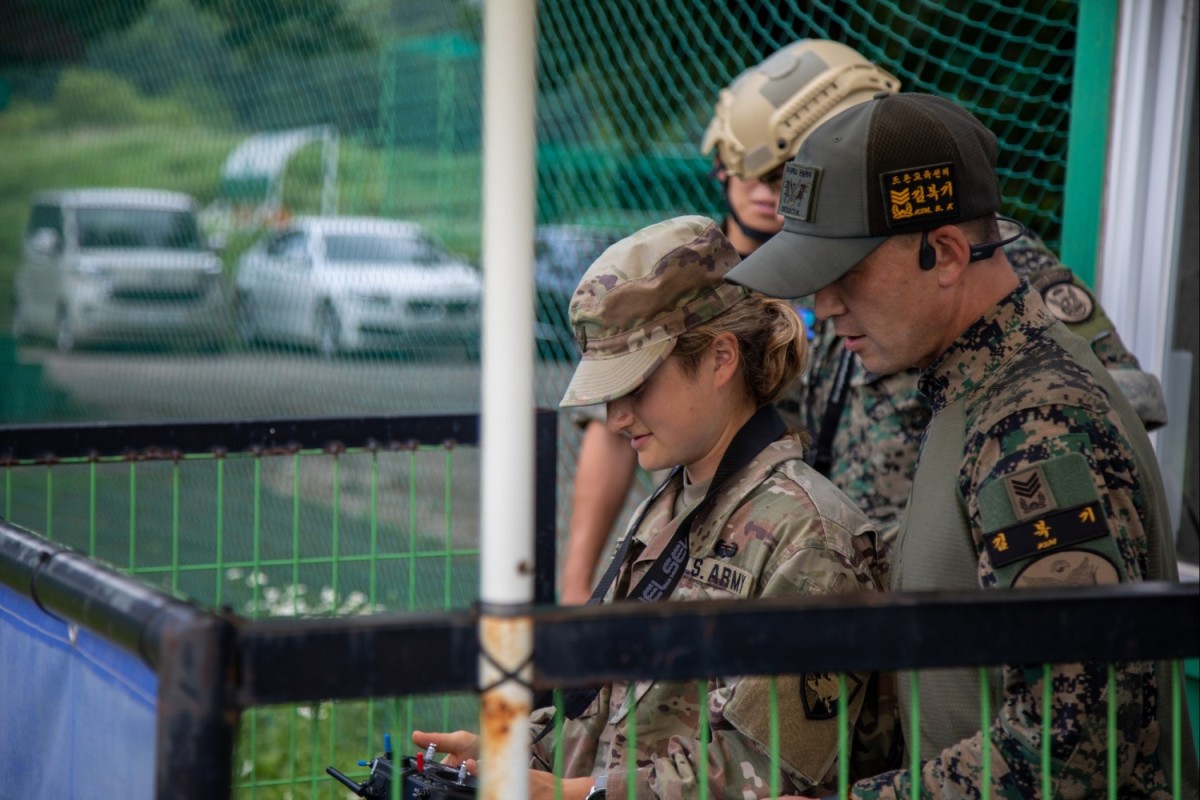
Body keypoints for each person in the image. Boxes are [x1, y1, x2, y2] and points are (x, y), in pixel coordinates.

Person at [726, 92, 1196, 799]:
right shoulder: (976, 394)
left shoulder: (1037, 425)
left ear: (944, 252)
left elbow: (1073, 744)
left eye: (843, 275)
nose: (823, 307)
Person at [415, 215, 895, 798]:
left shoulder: (809, 537)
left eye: (635, 387)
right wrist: (512, 753)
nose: (616, 418)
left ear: (721, 359)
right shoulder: (674, 500)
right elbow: (604, 708)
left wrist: (566, 794)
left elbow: (766, 771)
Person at [559, 40, 901, 604]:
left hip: (824, 557)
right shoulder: (681, 273)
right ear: (723, 166)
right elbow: (613, 425)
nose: (770, 190)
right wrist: (578, 591)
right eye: (757, 171)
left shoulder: (873, 278)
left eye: (789, 174)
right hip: (734, 531)